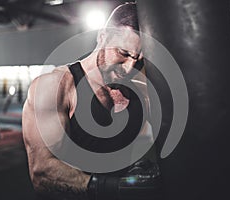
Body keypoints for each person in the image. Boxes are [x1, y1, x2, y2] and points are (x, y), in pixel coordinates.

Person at [22, 2, 162, 200]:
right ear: (102, 36)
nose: (129, 69)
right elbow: (42, 173)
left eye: (138, 60)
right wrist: (112, 186)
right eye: (123, 53)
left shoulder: (140, 89)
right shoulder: (55, 87)